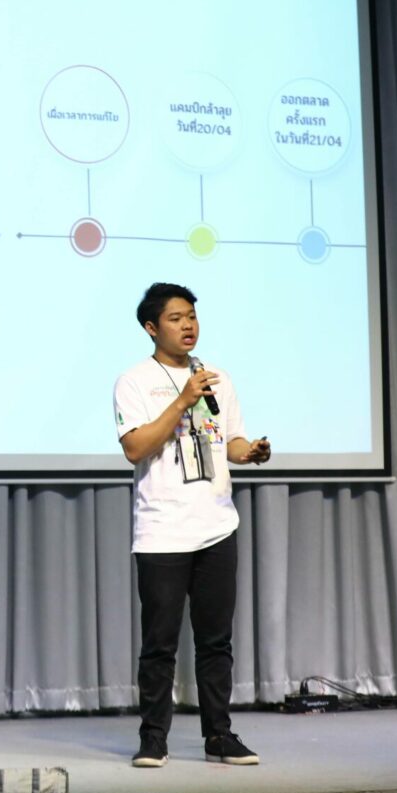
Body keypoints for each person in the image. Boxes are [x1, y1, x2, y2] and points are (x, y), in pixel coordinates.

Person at [113, 283, 271, 768]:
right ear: (151, 327)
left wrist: (250, 452)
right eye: (176, 318)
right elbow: (136, 448)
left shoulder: (218, 378)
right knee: (159, 644)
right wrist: (182, 401)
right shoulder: (134, 382)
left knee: (215, 642)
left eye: (192, 317)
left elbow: (230, 441)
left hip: (217, 526)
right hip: (162, 531)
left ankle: (219, 735)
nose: (188, 326)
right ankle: (153, 739)